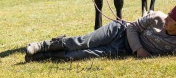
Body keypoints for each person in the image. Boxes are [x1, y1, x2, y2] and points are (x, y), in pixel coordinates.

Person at [25, 6, 176, 62]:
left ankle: (42, 57)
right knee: (83, 42)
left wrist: (133, 50)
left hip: (123, 49)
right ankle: (41, 46)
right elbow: (131, 28)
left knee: (82, 54)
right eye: (169, 14)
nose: (167, 18)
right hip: (120, 31)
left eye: (171, 18)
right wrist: (139, 49)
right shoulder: (157, 17)